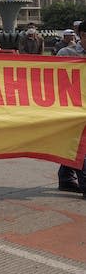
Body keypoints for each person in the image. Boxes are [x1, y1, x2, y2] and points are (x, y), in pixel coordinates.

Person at [55, 20, 86, 196]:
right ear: (82, 35)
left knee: (74, 144)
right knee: (81, 144)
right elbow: (54, 81)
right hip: (72, 108)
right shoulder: (66, 53)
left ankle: (66, 178)